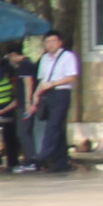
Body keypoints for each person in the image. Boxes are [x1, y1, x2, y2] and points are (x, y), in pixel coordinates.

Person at [33, 27, 80, 173]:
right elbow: (42, 80)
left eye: (53, 41)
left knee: (52, 126)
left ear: (60, 42)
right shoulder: (44, 59)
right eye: (47, 42)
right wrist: (36, 94)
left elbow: (72, 76)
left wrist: (53, 83)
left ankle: (43, 157)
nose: (50, 44)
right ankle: (61, 161)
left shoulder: (68, 56)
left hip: (61, 93)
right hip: (47, 94)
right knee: (57, 128)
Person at [7, 45, 41, 173]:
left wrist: (28, 102)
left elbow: (28, 83)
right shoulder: (25, 64)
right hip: (22, 103)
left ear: (13, 54)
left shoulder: (24, 65)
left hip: (25, 105)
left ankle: (30, 161)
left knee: (23, 132)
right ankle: (31, 159)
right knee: (25, 132)